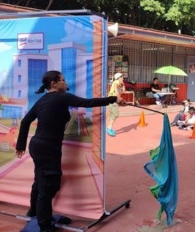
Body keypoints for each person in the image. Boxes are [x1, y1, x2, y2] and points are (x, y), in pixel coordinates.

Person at [15, 70, 125, 232]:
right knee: (49, 186)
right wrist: (114, 99)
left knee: (40, 180)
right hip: (47, 148)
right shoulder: (62, 97)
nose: (66, 84)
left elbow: (25, 122)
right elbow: (88, 103)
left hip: (37, 146)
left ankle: (34, 213)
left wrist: (21, 145)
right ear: (54, 84)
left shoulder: (43, 99)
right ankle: (44, 227)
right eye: (63, 80)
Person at [107, 72, 126, 136]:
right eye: (122, 77)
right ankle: (109, 128)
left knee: (112, 114)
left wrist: (123, 85)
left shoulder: (119, 84)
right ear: (119, 78)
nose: (123, 78)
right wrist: (121, 100)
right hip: (113, 99)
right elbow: (117, 93)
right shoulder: (116, 82)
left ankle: (109, 127)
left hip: (114, 99)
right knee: (115, 114)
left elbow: (123, 91)